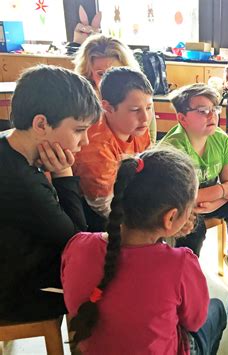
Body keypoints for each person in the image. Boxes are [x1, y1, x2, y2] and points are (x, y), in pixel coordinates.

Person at [62, 147, 227, 355]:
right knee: (217, 309)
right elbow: (193, 322)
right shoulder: (181, 263)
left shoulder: (78, 245)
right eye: (190, 207)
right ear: (170, 218)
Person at [0, 65, 101, 321]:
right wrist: (64, 173)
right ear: (41, 124)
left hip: (16, 260)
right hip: (13, 295)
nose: (85, 141)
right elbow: (77, 242)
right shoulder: (21, 182)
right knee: (106, 283)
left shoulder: (8, 146)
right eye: (79, 130)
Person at [159, 83, 228, 266]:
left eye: (214, 109)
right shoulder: (173, 148)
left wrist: (214, 202)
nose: (212, 115)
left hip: (210, 201)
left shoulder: (221, 140)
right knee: (193, 229)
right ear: (182, 119)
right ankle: (186, 274)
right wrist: (221, 190)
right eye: (202, 110)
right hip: (181, 206)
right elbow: (182, 199)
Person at [73, 67, 152, 231]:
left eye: (149, 108)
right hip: (97, 214)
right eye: (135, 110)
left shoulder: (138, 127)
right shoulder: (95, 144)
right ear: (107, 107)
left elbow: (149, 173)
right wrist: (148, 223)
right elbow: (102, 205)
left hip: (127, 198)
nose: (145, 118)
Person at [74, 34, 157, 144]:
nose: (109, 79)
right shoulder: (81, 108)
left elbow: (149, 141)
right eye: (101, 74)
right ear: (89, 75)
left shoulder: (139, 100)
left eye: (116, 71)